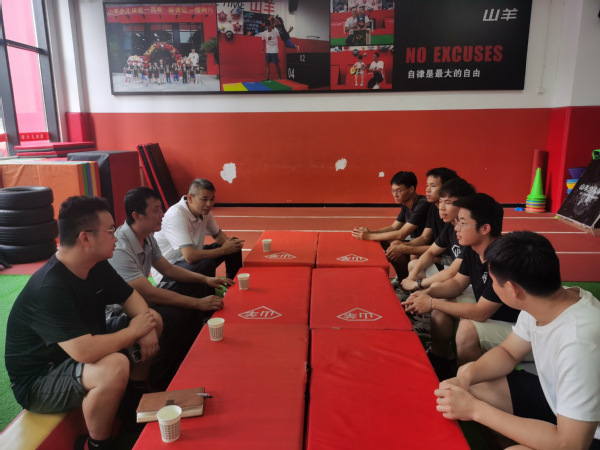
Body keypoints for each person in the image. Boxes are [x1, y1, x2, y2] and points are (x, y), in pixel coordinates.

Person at [5, 196, 162, 450]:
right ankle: (97, 444)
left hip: (79, 347)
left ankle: (132, 400)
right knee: (114, 366)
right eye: (110, 230)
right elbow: (85, 352)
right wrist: (135, 330)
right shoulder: (49, 287)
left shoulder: (96, 265)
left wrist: (145, 325)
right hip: (39, 380)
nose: (116, 237)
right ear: (85, 238)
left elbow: (131, 297)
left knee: (153, 319)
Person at [435, 231, 600, 450]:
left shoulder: (579, 342)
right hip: (558, 403)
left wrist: (475, 410)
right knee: (471, 378)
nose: (492, 287)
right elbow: (508, 353)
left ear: (513, 289)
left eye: (493, 281)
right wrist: (466, 378)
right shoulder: (547, 300)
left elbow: (570, 444)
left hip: (587, 435)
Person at [109, 187, 233, 390]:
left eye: (161, 208)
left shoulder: (147, 236)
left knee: (197, 283)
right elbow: (148, 292)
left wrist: (206, 280)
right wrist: (198, 303)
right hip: (122, 310)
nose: (162, 214)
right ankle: (161, 380)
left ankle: (190, 349)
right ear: (137, 216)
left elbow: (168, 269)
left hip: (142, 299)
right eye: (156, 210)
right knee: (173, 316)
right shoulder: (120, 247)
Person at [402, 193, 521, 378]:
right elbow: (457, 282)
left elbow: (481, 313)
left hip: (517, 326)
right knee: (443, 302)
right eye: (457, 221)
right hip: (493, 311)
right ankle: (440, 364)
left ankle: (467, 383)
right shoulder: (474, 248)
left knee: (467, 330)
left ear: (485, 228)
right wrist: (427, 293)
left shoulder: (502, 260)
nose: (456, 227)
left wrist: (431, 303)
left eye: (463, 223)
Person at [153, 179, 244, 284]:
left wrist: (229, 245)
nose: (209, 204)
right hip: (168, 271)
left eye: (212, 199)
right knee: (206, 263)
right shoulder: (177, 215)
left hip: (187, 260)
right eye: (204, 199)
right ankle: (207, 292)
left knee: (234, 244)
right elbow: (190, 256)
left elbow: (218, 235)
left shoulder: (204, 211)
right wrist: (224, 250)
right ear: (190, 198)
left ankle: (233, 285)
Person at [352, 171, 431, 280]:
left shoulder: (423, 204)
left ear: (411, 189)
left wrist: (369, 236)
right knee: (385, 240)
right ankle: (401, 278)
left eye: (398, 190)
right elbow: (394, 227)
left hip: (427, 245)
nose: (395, 194)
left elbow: (401, 234)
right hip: (416, 242)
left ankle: (404, 282)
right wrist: (371, 232)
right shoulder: (405, 204)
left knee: (395, 244)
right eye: (393, 190)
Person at [386, 167, 458, 278]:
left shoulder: (453, 217)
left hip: (450, 260)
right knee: (410, 256)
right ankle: (405, 281)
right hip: (442, 254)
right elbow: (424, 238)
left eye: (433, 186)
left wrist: (403, 248)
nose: (427, 190)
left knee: (413, 262)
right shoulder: (433, 208)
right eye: (427, 185)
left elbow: (401, 234)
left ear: (446, 189)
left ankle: (409, 282)